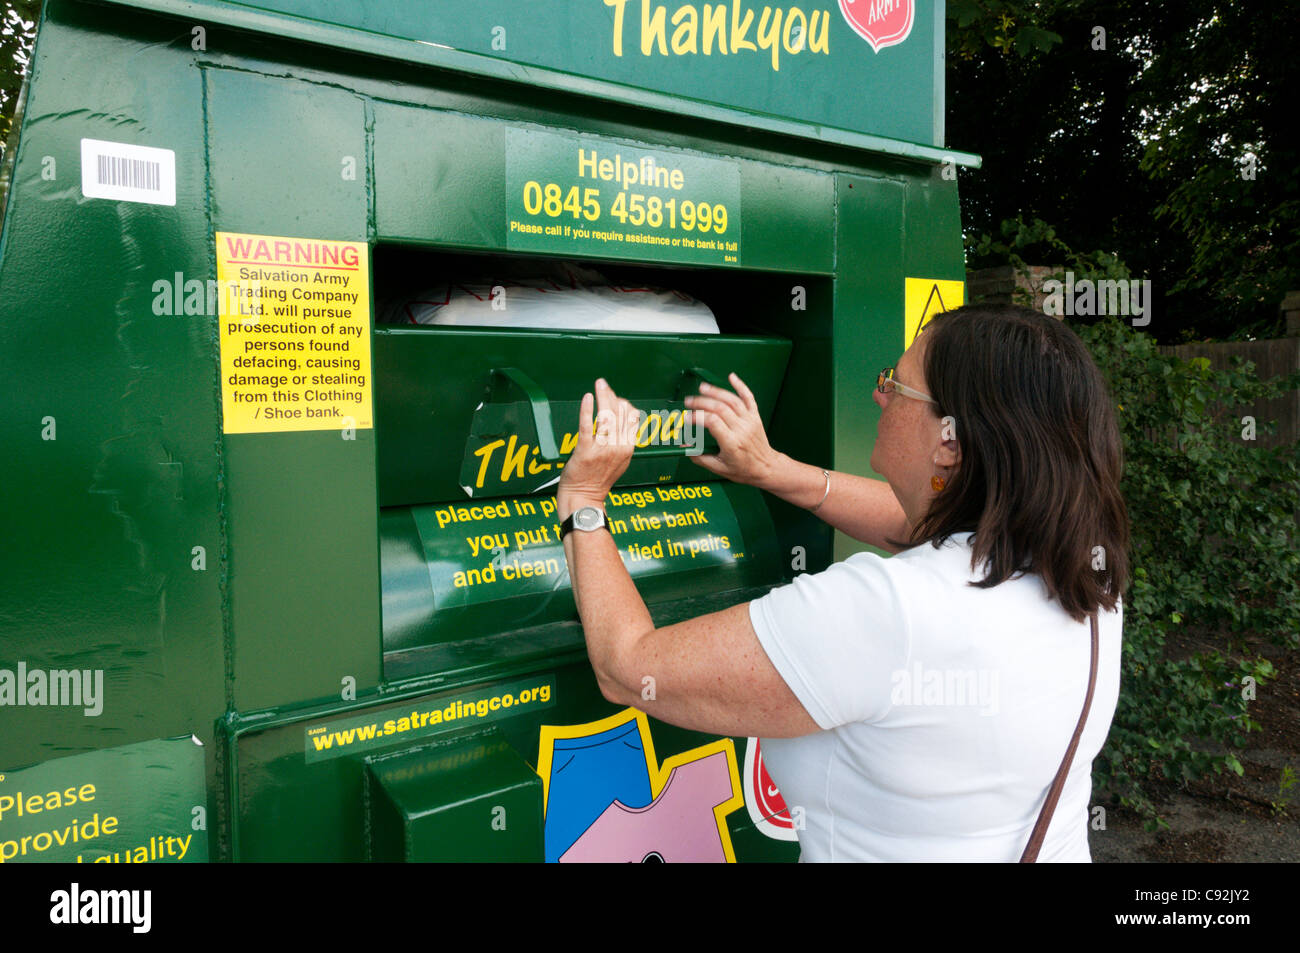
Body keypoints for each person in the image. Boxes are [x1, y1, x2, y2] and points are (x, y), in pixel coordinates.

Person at [555, 303, 1128, 862]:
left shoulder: (884, 611)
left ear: (949, 440)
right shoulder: (1085, 573)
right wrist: (772, 469)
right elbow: (921, 527)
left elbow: (628, 668)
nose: (879, 396)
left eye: (897, 386)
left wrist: (583, 501)